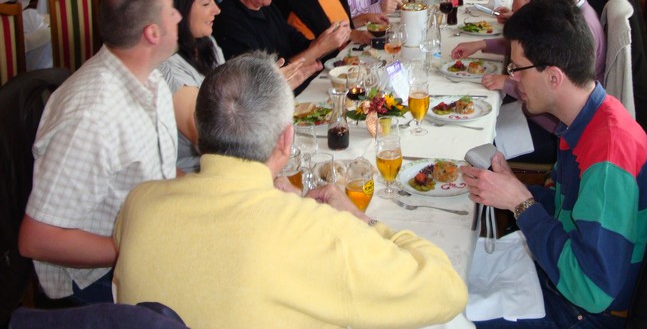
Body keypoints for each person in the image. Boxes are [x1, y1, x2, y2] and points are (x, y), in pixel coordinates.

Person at [113, 52, 468, 328]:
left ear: (200, 128)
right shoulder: (320, 233)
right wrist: (360, 219)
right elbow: (447, 291)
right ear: (286, 140)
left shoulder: (140, 203)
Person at [460, 0, 647, 328]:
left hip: (587, 312)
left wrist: (521, 204)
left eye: (517, 69)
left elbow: (592, 289)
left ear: (554, 77)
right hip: (567, 279)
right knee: (449, 272)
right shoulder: (587, 118)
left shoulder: (608, 154)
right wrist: (514, 189)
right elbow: (568, 207)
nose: (514, 79)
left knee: (445, 315)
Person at [18, 0, 181, 303]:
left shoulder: (152, 79)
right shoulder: (92, 117)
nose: (178, 16)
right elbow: (37, 239)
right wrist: (135, 249)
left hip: (146, 233)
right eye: (171, 11)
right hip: (98, 275)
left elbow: (159, 169)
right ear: (152, 33)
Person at [454, 0, 606, 163]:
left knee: (471, 145)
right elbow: (531, 47)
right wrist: (482, 44)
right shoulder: (566, 12)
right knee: (472, 113)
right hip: (541, 114)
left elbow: (553, 86)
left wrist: (507, 83)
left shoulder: (576, 25)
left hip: (555, 130)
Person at [213, 0, 349, 91]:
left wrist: (327, 41)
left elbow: (299, 44)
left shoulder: (267, 7)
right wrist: (318, 49)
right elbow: (263, 82)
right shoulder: (228, 22)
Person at [158, 0, 224, 174]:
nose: (217, 10)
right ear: (180, 9)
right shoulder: (169, 69)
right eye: (206, 3)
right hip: (195, 174)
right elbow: (212, 140)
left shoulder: (206, 43)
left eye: (214, 0)